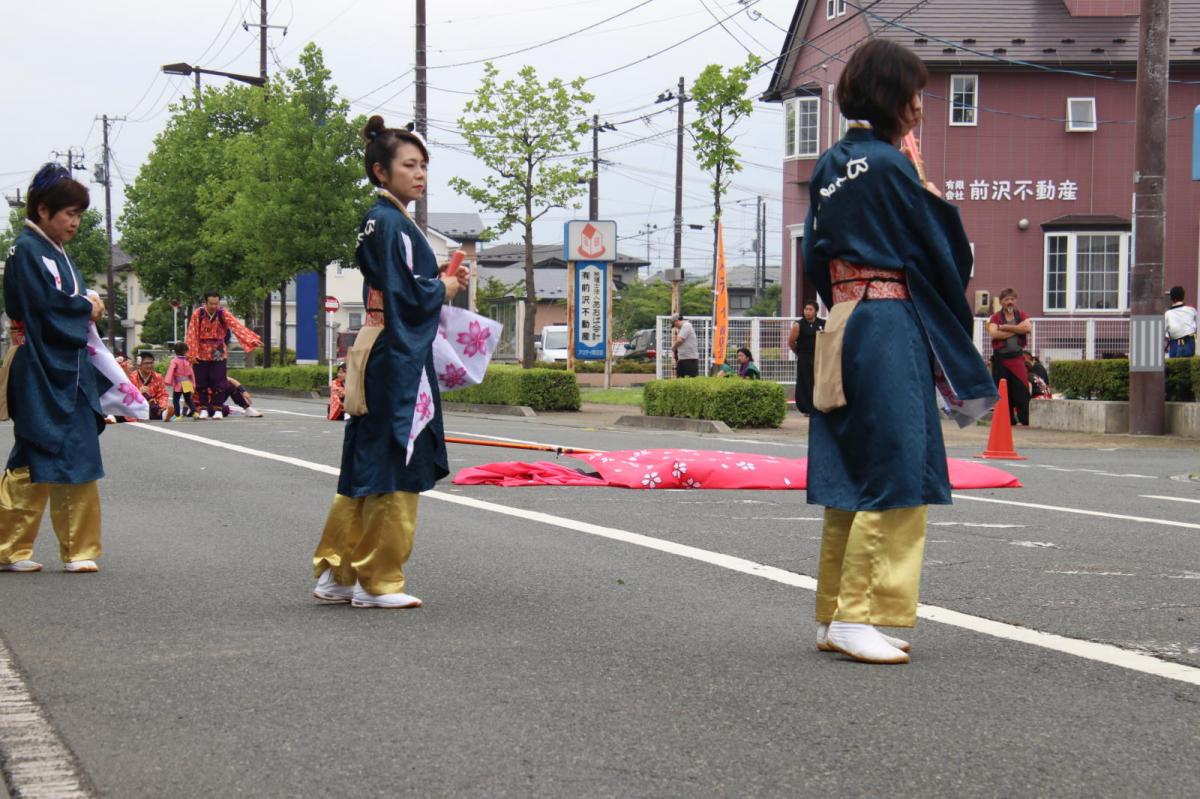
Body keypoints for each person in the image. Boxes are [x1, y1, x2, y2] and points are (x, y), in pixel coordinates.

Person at [802, 40, 996, 664]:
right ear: (894, 96)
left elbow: (814, 254)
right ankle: (862, 613)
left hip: (845, 317)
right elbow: (944, 258)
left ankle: (835, 612)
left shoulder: (832, 163)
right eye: (915, 93)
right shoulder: (892, 167)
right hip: (887, 322)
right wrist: (937, 202)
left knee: (850, 468)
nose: (919, 105)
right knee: (897, 464)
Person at [310, 115, 468, 609]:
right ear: (382, 172)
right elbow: (406, 293)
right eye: (409, 165)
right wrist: (440, 287)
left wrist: (430, 284)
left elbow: (396, 284)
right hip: (394, 353)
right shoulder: (393, 222)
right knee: (398, 459)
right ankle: (377, 580)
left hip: (377, 345)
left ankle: (338, 575)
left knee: (366, 461)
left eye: (423, 165)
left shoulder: (384, 220)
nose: (419, 174)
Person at [0, 164, 108, 574]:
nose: (75, 222)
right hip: (42, 363)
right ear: (43, 210)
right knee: (36, 449)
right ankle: (20, 548)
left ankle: (33, 547)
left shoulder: (47, 249)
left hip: (62, 362)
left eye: (78, 214)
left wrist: (84, 304)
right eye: (69, 213)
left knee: (68, 446)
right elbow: (47, 306)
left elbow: (56, 303)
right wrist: (87, 305)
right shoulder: (27, 250)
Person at [184, 291, 262, 419]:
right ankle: (203, 409)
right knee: (201, 381)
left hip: (218, 349)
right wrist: (192, 354)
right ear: (205, 302)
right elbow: (192, 333)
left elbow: (237, 326)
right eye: (211, 303)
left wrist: (251, 339)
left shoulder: (223, 313)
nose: (214, 306)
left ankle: (218, 409)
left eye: (216, 303)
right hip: (201, 349)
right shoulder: (198, 313)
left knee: (219, 381)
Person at [988, 288, 1032, 426]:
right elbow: (994, 334)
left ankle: (1025, 419)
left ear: (1015, 300)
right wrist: (1016, 330)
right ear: (1001, 302)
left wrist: (1005, 327)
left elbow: (1028, 328)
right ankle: (1007, 420)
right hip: (1001, 358)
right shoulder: (995, 317)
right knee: (1003, 391)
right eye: (1007, 299)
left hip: (1017, 358)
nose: (1010, 302)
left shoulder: (1021, 314)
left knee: (1022, 389)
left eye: (1012, 299)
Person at [788, 301, 824, 415]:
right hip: (804, 356)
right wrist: (798, 352)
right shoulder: (798, 325)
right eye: (806, 309)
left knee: (819, 381)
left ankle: (820, 406)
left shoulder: (822, 323)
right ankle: (806, 408)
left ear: (816, 311)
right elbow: (791, 342)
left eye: (810, 309)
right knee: (805, 381)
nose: (807, 312)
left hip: (819, 356)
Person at [129, 352, 174, 422]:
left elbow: (163, 394)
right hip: (136, 405)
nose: (149, 366)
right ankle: (162, 414)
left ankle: (162, 412)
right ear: (139, 364)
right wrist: (138, 392)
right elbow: (126, 394)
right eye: (146, 363)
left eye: (151, 363)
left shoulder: (158, 377)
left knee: (154, 405)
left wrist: (162, 406)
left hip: (153, 406)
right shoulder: (132, 377)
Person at [164, 342, 197, 418]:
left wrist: (167, 380)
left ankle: (177, 415)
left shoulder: (174, 361)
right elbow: (191, 373)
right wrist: (193, 383)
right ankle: (195, 412)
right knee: (188, 399)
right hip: (187, 383)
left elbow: (171, 370)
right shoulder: (187, 361)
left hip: (179, 383)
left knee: (176, 400)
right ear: (185, 351)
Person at [1164, 285, 1197, 358]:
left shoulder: (1168, 314)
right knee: (1188, 366)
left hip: (1175, 344)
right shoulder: (1192, 310)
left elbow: (1163, 333)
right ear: (1183, 297)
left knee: (1175, 366)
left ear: (1171, 298)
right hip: (1190, 342)